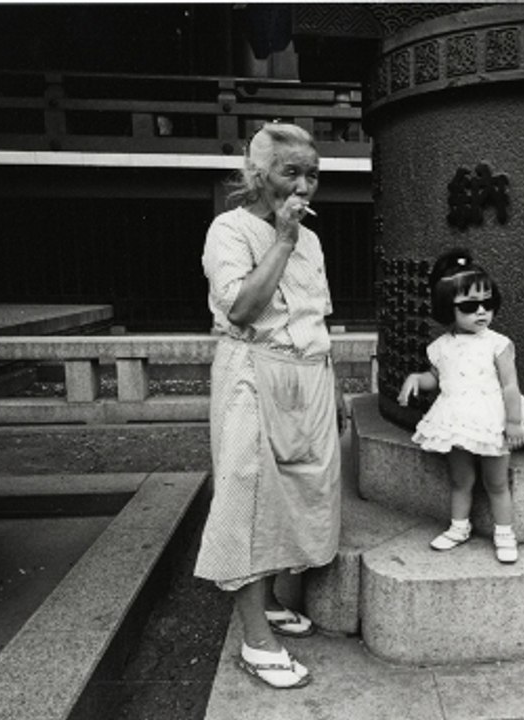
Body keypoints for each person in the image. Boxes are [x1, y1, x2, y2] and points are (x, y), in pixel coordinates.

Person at [194, 123, 340, 690]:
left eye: (313, 175)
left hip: (307, 376)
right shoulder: (229, 230)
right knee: (249, 497)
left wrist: (335, 391)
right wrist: (280, 239)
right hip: (254, 371)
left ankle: (271, 599)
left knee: (296, 491)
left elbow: (315, 316)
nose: (303, 186)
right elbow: (243, 311)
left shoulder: (314, 238)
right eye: (291, 173)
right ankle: (256, 639)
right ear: (258, 176)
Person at [397, 249, 524, 563]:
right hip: (456, 419)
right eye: (469, 306)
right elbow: (437, 378)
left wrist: (513, 421)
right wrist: (416, 378)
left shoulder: (498, 344)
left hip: (491, 419)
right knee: (460, 479)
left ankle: (505, 533)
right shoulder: (440, 347)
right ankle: (459, 527)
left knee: (496, 481)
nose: (481, 311)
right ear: (447, 307)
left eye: (488, 303)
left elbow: (510, 385)